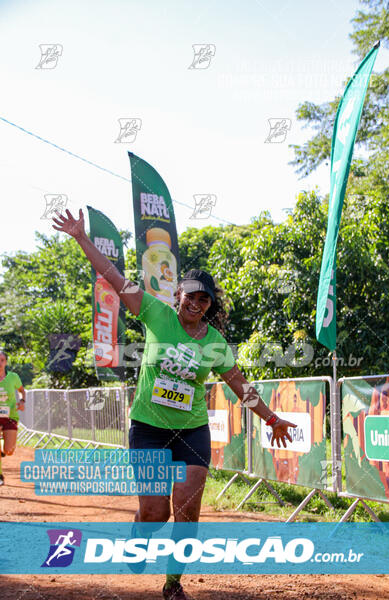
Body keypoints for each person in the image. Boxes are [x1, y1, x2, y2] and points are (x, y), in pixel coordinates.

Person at [52, 208, 296, 600]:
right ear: (178, 295)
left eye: (204, 300)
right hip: (148, 427)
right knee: (155, 513)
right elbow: (113, 277)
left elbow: (238, 383)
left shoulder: (215, 343)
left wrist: (270, 417)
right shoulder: (155, 312)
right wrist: (82, 238)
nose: (196, 304)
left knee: (186, 509)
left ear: (209, 305)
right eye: (191, 296)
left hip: (191, 431)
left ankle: (172, 584)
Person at [0, 350, 26, 485]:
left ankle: (3, 447)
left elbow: (22, 391)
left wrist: (22, 401)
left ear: (6, 362)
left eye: (2, 360)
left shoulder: (13, 377)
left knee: (9, 451)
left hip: (10, 415)